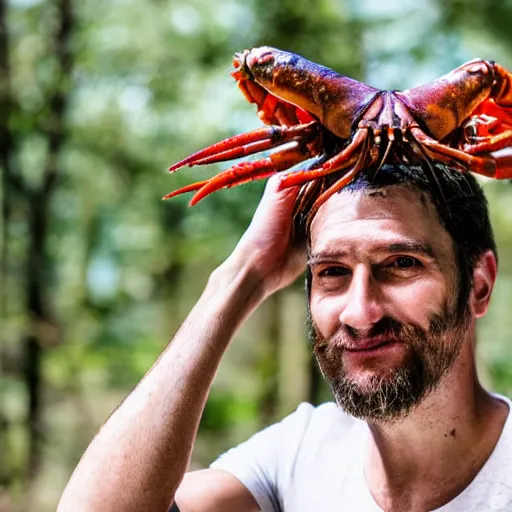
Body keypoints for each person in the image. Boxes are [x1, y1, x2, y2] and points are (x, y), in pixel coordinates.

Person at [58, 162, 512, 512]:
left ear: (479, 285)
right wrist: (242, 277)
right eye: (332, 272)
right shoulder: (297, 459)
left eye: (402, 264)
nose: (359, 312)